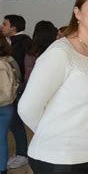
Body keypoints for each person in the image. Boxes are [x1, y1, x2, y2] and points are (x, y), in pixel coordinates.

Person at [18, 0, 88, 173]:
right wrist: (54, 135)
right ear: (77, 13)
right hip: (60, 157)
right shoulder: (60, 52)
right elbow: (27, 107)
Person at [1, 14, 31, 169]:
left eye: (4, 24)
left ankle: (22, 154)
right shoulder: (14, 42)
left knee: (16, 124)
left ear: (13, 27)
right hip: (15, 92)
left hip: (16, 92)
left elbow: (20, 70)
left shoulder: (21, 44)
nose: (2, 26)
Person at [0, 34, 21, 174]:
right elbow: (18, 79)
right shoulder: (10, 60)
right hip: (7, 106)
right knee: (1, 139)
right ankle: (2, 169)